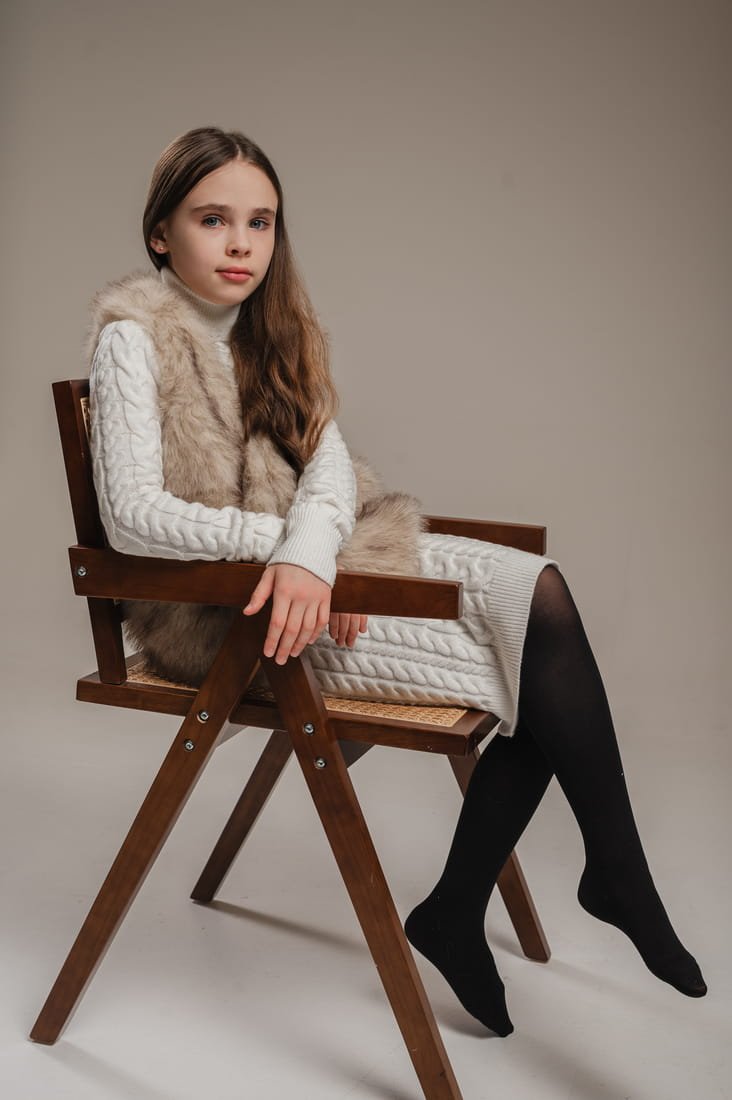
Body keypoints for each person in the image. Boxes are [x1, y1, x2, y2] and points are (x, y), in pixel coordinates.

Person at [86, 125, 707, 1038]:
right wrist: (296, 555)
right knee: (538, 677)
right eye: (212, 219)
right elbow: (134, 517)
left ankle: (546, 889)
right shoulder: (133, 341)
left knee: (536, 594)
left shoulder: (269, 334)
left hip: (311, 575)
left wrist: (316, 553)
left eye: (260, 222)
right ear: (160, 232)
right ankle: (559, 889)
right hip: (231, 619)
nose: (240, 243)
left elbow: (332, 472)